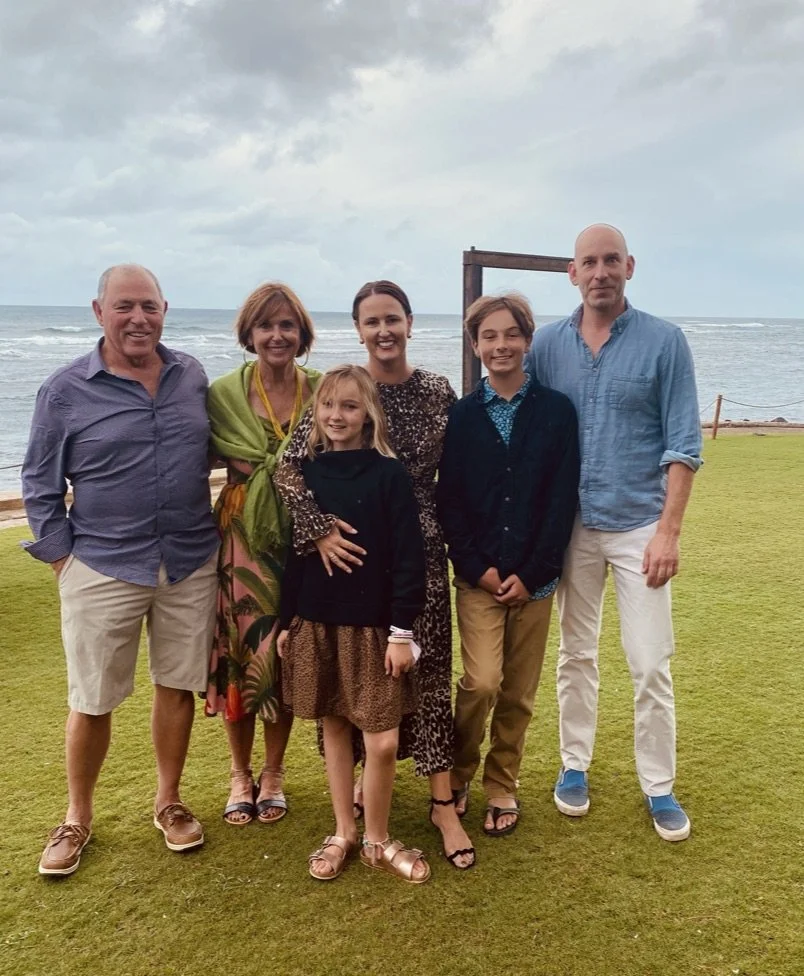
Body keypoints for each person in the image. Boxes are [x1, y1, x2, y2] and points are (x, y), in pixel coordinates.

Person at [22, 264, 219, 876]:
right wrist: (61, 556)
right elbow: (39, 480)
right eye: (125, 306)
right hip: (102, 562)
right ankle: (77, 816)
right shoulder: (64, 391)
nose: (139, 318)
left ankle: (169, 802)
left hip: (189, 558)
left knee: (177, 686)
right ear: (98, 311)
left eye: (150, 307)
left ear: (165, 309)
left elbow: (217, 447)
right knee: (92, 699)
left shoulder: (191, 375)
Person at [275, 281, 475, 870]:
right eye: (371, 321)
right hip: (341, 553)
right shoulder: (338, 391)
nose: (383, 330)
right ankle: (355, 807)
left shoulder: (437, 389)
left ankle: (442, 803)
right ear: (358, 329)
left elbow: (460, 472)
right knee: (346, 681)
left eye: (393, 318)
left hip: (416, 549)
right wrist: (318, 530)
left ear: (410, 323)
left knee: (428, 673)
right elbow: (289, 470)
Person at [528, 224, 702, 841]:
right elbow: (523, 424)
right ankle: (574, 765)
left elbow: (683, 444)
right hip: (571, 527)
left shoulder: (664, 342)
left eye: (610, 261)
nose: (599, 271)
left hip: (639, 529)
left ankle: (659, 784)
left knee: (650, 661)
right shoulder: (546, 345)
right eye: (587, 262)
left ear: (629, 266)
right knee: (575, 654)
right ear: (571, 274)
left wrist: (669, 533)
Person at [276, 365, 429, 883]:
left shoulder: (389, 475)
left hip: (375, 627)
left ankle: (378, 838)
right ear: (315, 414)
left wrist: (402, 631)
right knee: (335, 726)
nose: (336, 415)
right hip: (317, 621)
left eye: (349, 406)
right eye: (327, 406)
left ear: (368, 416)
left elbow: (410, 559)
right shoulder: (309, 476)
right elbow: (295, 557)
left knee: (382, 740)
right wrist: (285, 621)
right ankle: (343, 830)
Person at [437, 293, 579, 837]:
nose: (500, 345)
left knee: (518, 692)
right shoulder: (462, 416)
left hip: (536, 579)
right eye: (488, 336)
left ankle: (503, 784)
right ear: (475, 346)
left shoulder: (556, 411)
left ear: (527, 339)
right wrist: (479, 568)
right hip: (478, 578)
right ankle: (460, 771)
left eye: (510, 334)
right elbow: (450, 501)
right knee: (481, 681)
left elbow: (560, 497)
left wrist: (533, 569)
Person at [203, 283, 321, 826]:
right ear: (249, 334)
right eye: (266, 326)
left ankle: (273, 773)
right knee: (241, 655)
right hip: (241, 544)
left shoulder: (322, 390)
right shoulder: (222, 393)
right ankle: (238, 773)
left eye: (287, 325)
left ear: (302, 334)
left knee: (283, 653)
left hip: (302, 541)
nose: (277, 335)